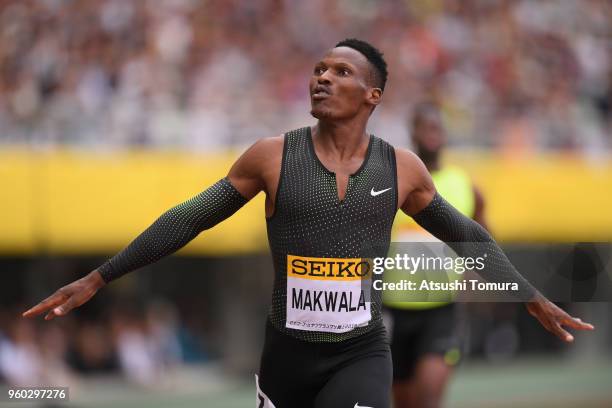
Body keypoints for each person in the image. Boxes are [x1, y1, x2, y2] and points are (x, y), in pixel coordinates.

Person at [23, 39, 594, 408]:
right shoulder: (272, 157)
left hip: (363, 350)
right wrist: (100, 276)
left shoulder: (402, 168)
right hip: (286, 359)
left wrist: (530, 295)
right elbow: (188, 219)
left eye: (340, 72)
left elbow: (466, 234)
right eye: (318, 69)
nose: (322, 77)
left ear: (372, 95)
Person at [384, 102, 489, 408]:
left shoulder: (465, 186)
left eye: (437, 127)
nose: (432, 133)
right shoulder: (393, 183)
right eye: (425, 126)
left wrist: (471, 280)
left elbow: (482, 241)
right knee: (403, 402)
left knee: (428, 396)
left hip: (442, 311)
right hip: (393, 310)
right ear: (413, 132)